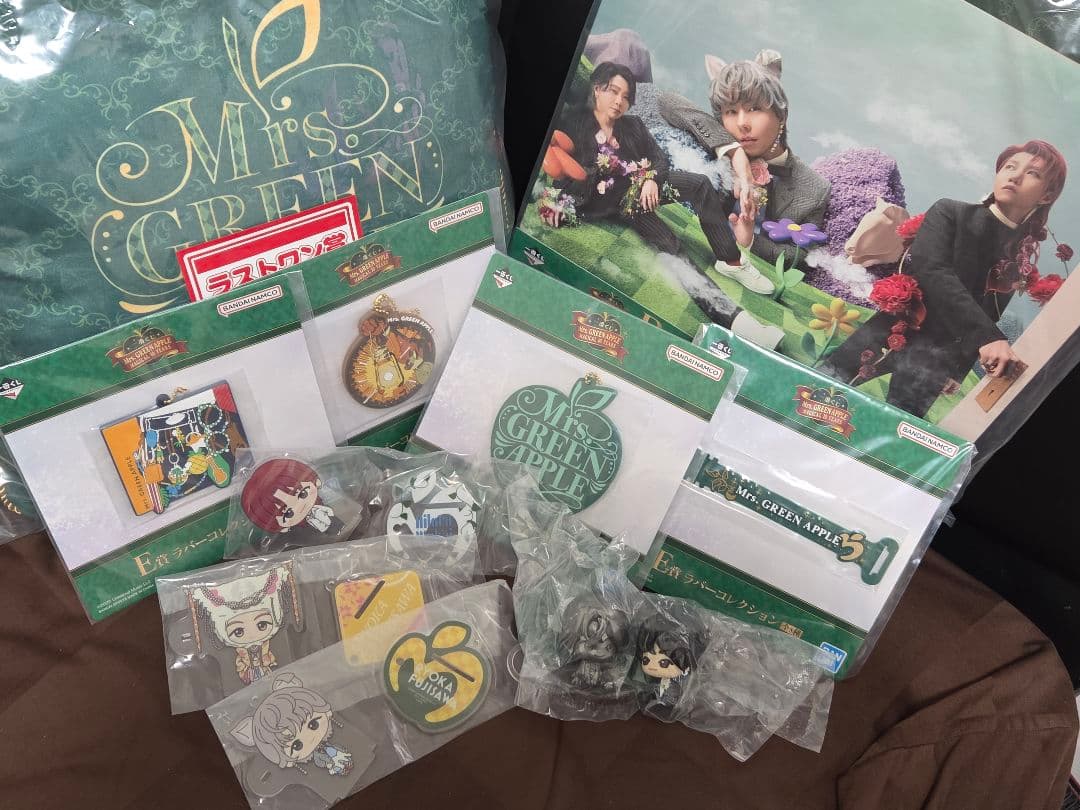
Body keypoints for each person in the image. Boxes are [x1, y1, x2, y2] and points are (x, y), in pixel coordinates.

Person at [543, 61, 784, 348]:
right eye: (613, 92)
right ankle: (740, 323)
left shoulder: (633, 125)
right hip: (620, 202)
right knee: (672, 247)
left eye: (626, 96)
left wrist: (651, 180)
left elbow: (658, 159)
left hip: (646, 187)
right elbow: (560, 167)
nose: (619, 101)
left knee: (699, 184)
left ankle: (730, 260)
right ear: (597, 89)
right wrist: (557, 203)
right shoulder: (575, 124)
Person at [820, 140, 1067, 417]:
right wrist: (988, 338)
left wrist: (958, 369)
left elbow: (990, 312)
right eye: (1010, 166)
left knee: (898, 432)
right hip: (890, 331)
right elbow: (932, 270)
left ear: (1046, 195)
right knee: (815, 392)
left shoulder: (1020, 256)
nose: (1015, 176)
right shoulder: (951, 212)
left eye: (1032, 173)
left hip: (937, 360)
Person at [659, 50, 831, 270]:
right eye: (731, 111)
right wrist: (733, 150)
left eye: (754, 109)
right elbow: (666, 101)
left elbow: (801, 259)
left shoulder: (814, 189)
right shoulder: (717, 143)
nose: (742, 123)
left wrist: (749, 241)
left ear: (781, 115)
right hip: (679, 253)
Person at [186, 563, 302, 686]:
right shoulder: (242, 653)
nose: (252, 636)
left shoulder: (265, 647)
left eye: (262, 625)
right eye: (238, 632)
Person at [238, 674, 354, 775]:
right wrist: (329, 764)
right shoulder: (317, 757)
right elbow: (320, 762)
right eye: (296, 745)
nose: (310, 738)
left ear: (326, 712)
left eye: (313, 724)